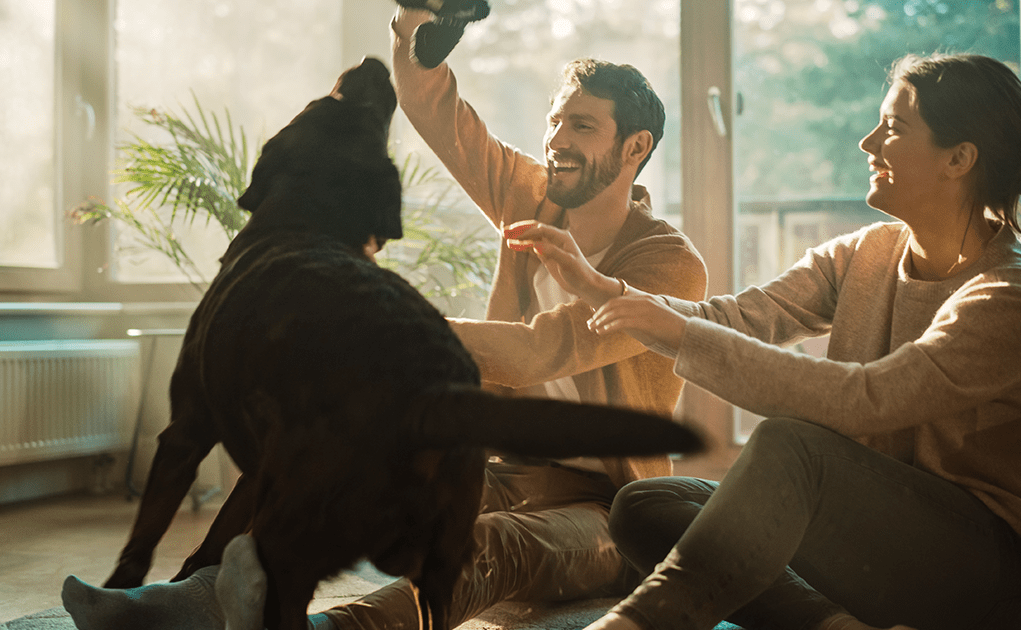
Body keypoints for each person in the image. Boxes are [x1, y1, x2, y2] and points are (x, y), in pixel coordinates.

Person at [60, 5, 706, 630]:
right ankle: (190, 601)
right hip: (510, 463)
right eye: (556, 120)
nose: (558, 139)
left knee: (489, 542)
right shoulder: (531, 196)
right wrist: (413, 23)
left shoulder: (668, 265)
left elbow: (548, 350)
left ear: (635, 148)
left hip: (610, 510)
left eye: (583, 127)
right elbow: (437, 110)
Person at [513, 52, 1021, 630]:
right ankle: (832, 625)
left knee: (790, 444)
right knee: (644, 505)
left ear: (959, 158)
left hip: (984, 579)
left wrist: (674, 331)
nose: (867, 142)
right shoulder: (865, 252)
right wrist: (611, 292)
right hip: (874, 545)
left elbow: (865, 398)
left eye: (894, 128)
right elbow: (740, 318)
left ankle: (641, 621)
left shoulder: (1013, 297)